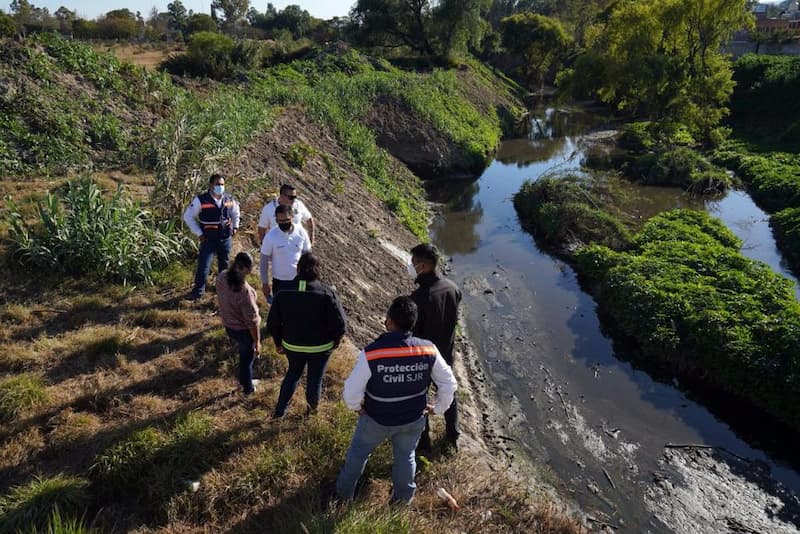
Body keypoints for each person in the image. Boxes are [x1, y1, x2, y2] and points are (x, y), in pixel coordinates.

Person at [336, 296, 457, 504]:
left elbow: (351, 391)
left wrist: (357, 407)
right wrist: (437, 409)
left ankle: (342, 497)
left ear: (390, 322)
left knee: (357, 456)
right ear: (413, 322)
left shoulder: (372, 353)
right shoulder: (428, 349)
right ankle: (402, 502)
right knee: (405, 458)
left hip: (375, 419)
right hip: (412, 420)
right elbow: (449, 384)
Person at [267, 253, 347, 418]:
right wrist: (336, 341)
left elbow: (272, 323)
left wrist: (278, 342)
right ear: (318, 270)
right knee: (314, 380)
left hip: (292, 345)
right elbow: (340, 324)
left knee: (292, 375)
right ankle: (311, 414)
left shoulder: (283, 291)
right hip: (321, 348)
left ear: (297, 269)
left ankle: (279, 411)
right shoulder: (327, 293)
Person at [409, 243, 462, 450]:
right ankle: (453, 435)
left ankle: (424, 443)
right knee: (449, 392)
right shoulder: (452, 288)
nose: (411, 266)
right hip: (447, 353)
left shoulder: (419, 299)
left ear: (422, 266)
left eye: (413, 263)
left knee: (420, 397)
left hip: (424, 358)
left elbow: (412, 334)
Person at [183, 174, 240, 300]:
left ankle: (223, 291)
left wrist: (235, 227)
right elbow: (188, 216)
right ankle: (198, 292)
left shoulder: (229, 199)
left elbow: (236, 213)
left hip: (225, 238)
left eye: (222, 184)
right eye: (217, 184)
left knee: (224, 267)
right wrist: (199, 233)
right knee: (204, 266)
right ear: (210, 185)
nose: (220, 187)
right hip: (208, 239)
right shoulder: (201, 200)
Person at [216, 252, 261, 395]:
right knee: (247, 359)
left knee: (243, 355)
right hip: (243, 331)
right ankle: (248, 389)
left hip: (229, 325)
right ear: (246, 269)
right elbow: (252, 322)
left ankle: (243, 381)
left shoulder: (222, 276)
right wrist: (257, 341)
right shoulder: (245, 292)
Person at [260, 204, 312, 302]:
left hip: (300, 280)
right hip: (280, 282)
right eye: (280, 221)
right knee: (282, 312)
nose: (283, 223)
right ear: (276, 220)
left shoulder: (301, 233)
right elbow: (264, 261)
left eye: (286, 220)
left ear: (292, 217)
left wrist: (307, 279)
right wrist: (265, 283)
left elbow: (308, 256)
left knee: (300, 306)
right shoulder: (271, 236)